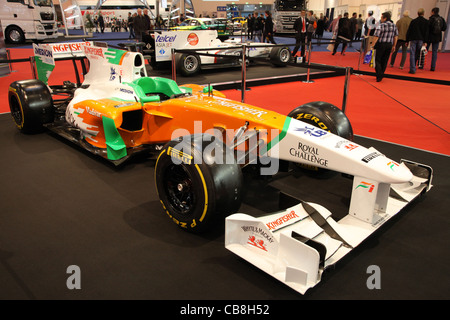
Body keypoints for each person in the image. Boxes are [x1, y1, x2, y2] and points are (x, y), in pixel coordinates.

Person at [371, 11, 398, 82]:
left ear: (385, 18)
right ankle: (381, 74)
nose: (381, 19)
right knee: (385, 60)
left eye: (381, 17)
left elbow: (376, 36)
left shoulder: (381, 25)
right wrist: (394, 45)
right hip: (389, 44)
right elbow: (395, 36)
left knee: (377, 59)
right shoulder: (394, 25)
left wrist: (372, 45)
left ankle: (379, 74)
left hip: (381, 44)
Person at [406, 8, 429, 74]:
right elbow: (426, 32)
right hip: (421, 39)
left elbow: (409, 31)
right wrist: (425, 41)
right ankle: (418, 65)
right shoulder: (426, 22)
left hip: (413, 39)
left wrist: (407, 40)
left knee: (412, 53)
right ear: (423, 13)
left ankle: (412, 68)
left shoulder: (413, 21)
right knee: (419, 53)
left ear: (417, 13)